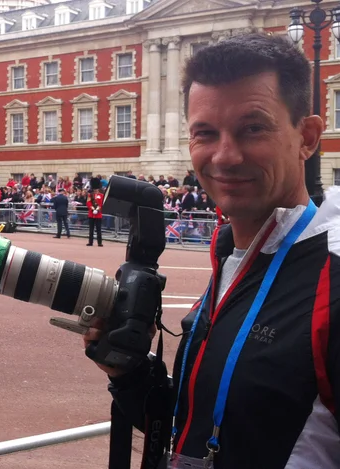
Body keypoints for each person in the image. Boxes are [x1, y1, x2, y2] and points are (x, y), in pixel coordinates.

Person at [85, 33, 339, 468]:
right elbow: (200, 429)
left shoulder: (332, 280)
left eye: (253, 128)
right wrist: (128, 374)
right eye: (205, 133)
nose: (225, 155)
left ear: (307, 137)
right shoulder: (231, 258)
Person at [86, 178, 103, 247]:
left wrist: (98, 209)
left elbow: (102, 203)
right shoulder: (90, 195)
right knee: (91, 229)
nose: (95, 190)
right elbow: (88, 202)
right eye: (94, 189)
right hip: (91, 214)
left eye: (96, 189)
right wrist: (92, 208)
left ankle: (99, 242)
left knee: (98, 229)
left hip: (98, 214)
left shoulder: (101, 195)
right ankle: (90, 242)